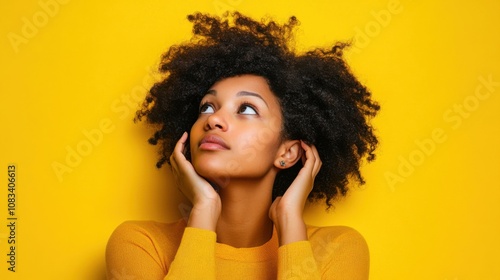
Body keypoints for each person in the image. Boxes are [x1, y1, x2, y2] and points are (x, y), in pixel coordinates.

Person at [106, 11, 379, 280]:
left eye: (247, 109)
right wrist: (203, 209)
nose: (213, 119)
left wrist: (290, 225)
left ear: (287, 152)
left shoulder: (337, 248)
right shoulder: (141, 244)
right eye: (207, 106)